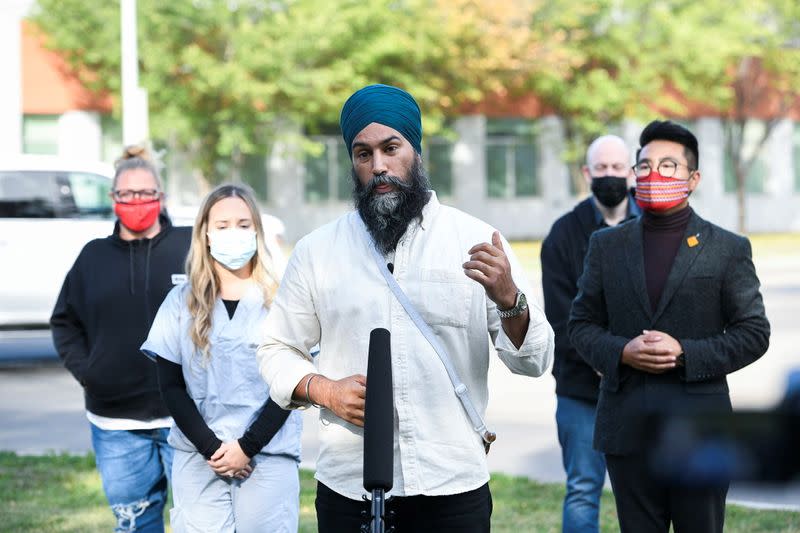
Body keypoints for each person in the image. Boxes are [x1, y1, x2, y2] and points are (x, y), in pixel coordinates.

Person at [257, 83, 554, 533]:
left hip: (452, 486)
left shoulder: (476, 240)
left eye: (390, 148)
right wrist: (323, 389)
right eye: (363, 153)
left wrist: (510, 300)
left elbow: (534, 361)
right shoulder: (318, 251)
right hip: (349, 486)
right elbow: (275, 348)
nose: (379, 166)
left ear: (416, 150)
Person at [568, 120, 770, 533]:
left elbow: (754, 332)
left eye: (668, 166)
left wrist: (686, 353)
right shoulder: (606, 245)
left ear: (692, 178)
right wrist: (622, 351)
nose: (653, 174)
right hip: (626, 428)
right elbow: (581, 325)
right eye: (643, 166)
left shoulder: (727, 249)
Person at [140, 183, 302, 532]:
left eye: (243, 225)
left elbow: (292, 386)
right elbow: (170, 387)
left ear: (257, 231)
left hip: (267, 457)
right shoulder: (180, 303)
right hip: (199, 459)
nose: (234, 233)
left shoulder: (283, 301)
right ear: (206, 234)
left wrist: (247, 446)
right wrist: (213, 448)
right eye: (223, 225)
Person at [50, 145, 190, 533]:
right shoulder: (92, 257)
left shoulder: (192, 247)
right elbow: (64, 322)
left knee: (202, 522)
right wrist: (90, 372)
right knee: (135, 525)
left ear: (161, 197)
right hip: (116, 423)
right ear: (113, 199)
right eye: (127, 194)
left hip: (190, 419)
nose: (136, 201)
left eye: (145, 193)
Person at [540, 135, 639, 533]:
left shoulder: (653, 227)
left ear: (632, 173)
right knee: (583, 488)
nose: (610, 175)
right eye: (601, 168)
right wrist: (612, 358)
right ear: (587, 173)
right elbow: (562, 322)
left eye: (618, 168)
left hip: (643, 389)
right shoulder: (563, 236)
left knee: (645, 491)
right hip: (581, 391)